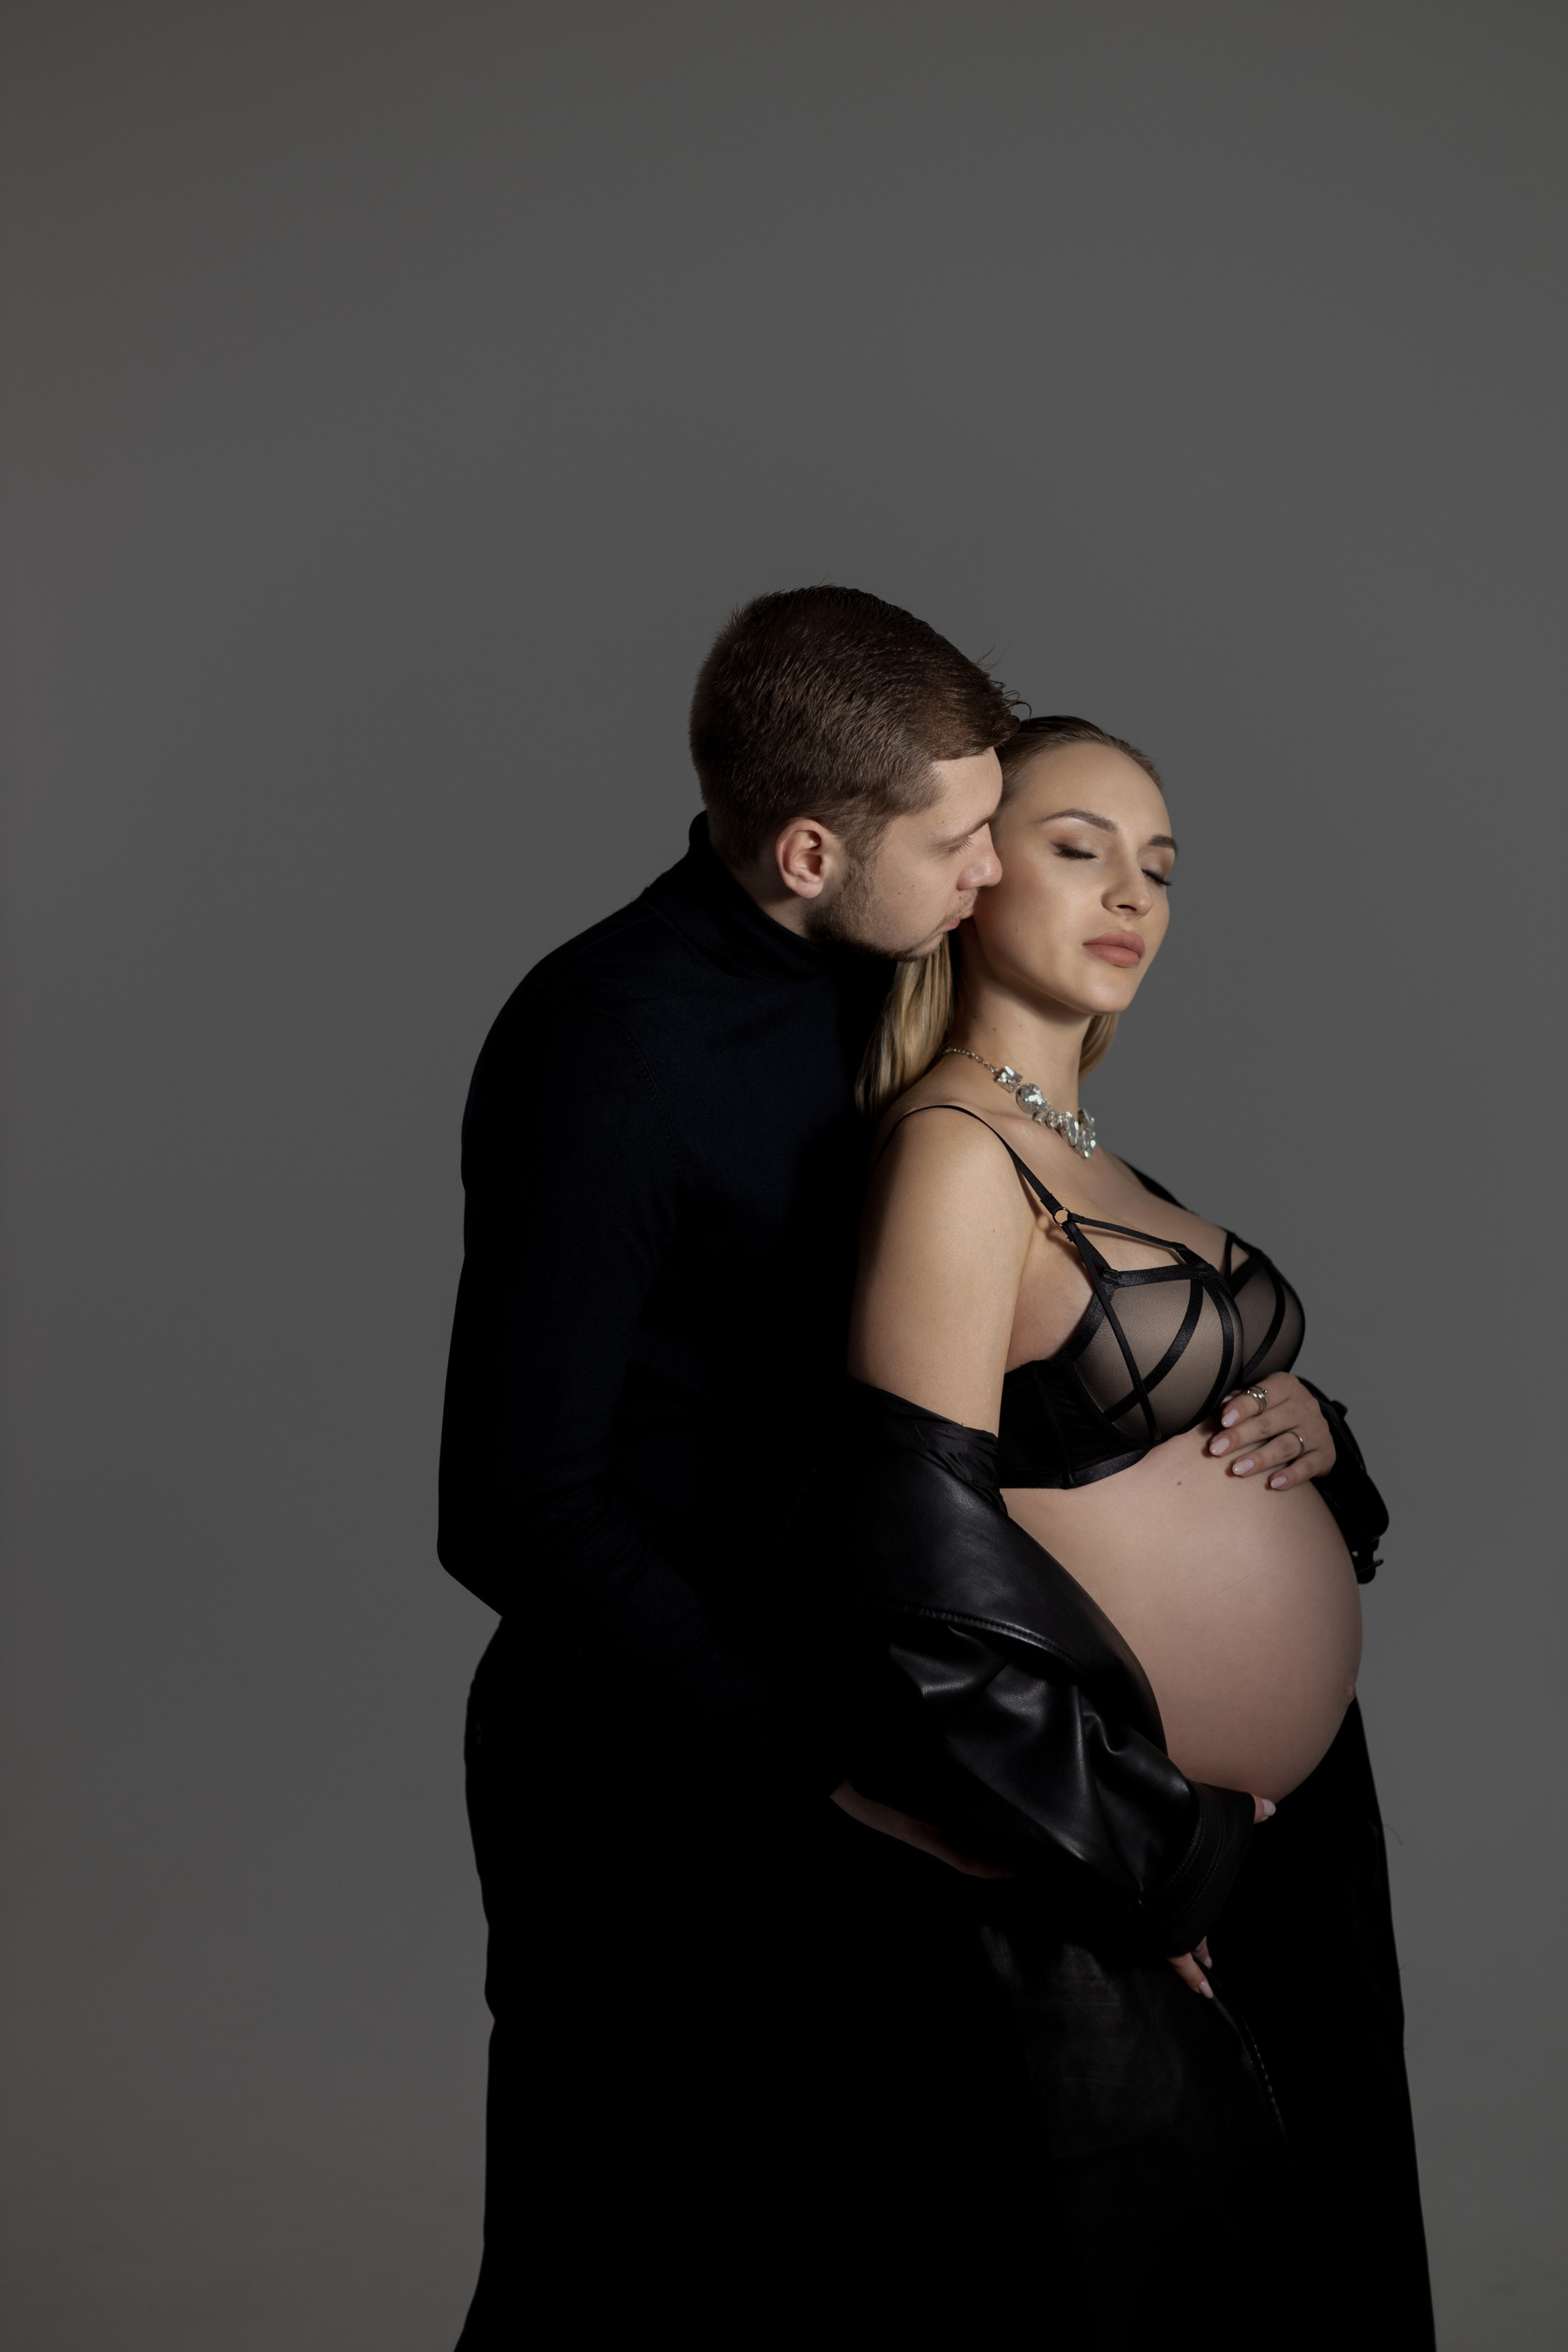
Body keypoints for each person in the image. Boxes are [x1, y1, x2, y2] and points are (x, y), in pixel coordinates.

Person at [435, 585, 1018, 2341]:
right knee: (615, 2290)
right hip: (649, 1778)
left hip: (847, 1741)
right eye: (961, 840)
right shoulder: (607, 1046)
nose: (994, 873)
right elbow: (512, 1506)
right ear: (811, 851)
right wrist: (808, 1761)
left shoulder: (894, 990)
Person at [843, 713, 1432, 2344]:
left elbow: (1178, 1435)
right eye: (1079, 848)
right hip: (1124, 1829)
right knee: (1164, 2294)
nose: (1133, 896)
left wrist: (1319, 1434)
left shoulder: (1088, 1149)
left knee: (1335, 2255)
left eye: (1160, 867)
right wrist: (1152, 1853)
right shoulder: (954, 1154)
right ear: (973, 873)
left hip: (1297, 1819)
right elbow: (911, 1561)